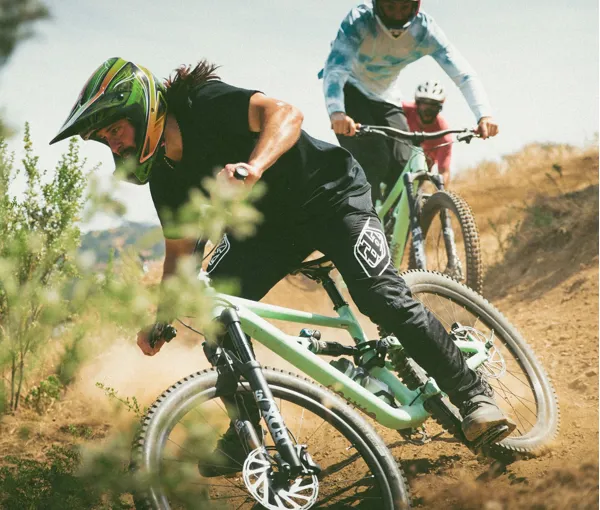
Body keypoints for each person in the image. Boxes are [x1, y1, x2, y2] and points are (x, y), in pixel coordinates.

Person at [50, 57, 514, 476]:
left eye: (115, 130)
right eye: (105, 139)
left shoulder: (202, 104)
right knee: (215, 315)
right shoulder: (166, 179)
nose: (113, 143)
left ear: (142, 110)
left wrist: (252, 167)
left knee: (381, 297)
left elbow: (285, 114)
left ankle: (472, 394)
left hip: (332, 199)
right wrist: (162, 316)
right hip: (269, 233)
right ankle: (246, 434)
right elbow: (180, 251)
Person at [321, 0, 498, 202]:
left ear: (415, 6)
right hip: (350, 88)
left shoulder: (425, 30)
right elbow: (335, 68)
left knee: (407, 162)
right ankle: (363, 216)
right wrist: (337, 112)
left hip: (387, 97)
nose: (397, 15)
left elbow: (463, 75)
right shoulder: (359, 21)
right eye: (390, 7)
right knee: (375, 157)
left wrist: (484, 115)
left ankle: (391, 216)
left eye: (404, 7)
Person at [402, 80, 453, 186]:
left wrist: (441, 193)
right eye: (424, 103)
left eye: (433, 105)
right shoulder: (403, 109)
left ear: (439, 107)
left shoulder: (444, 135)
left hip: (420, 173)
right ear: (417, 103)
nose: (428, 109)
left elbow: (443, 171)